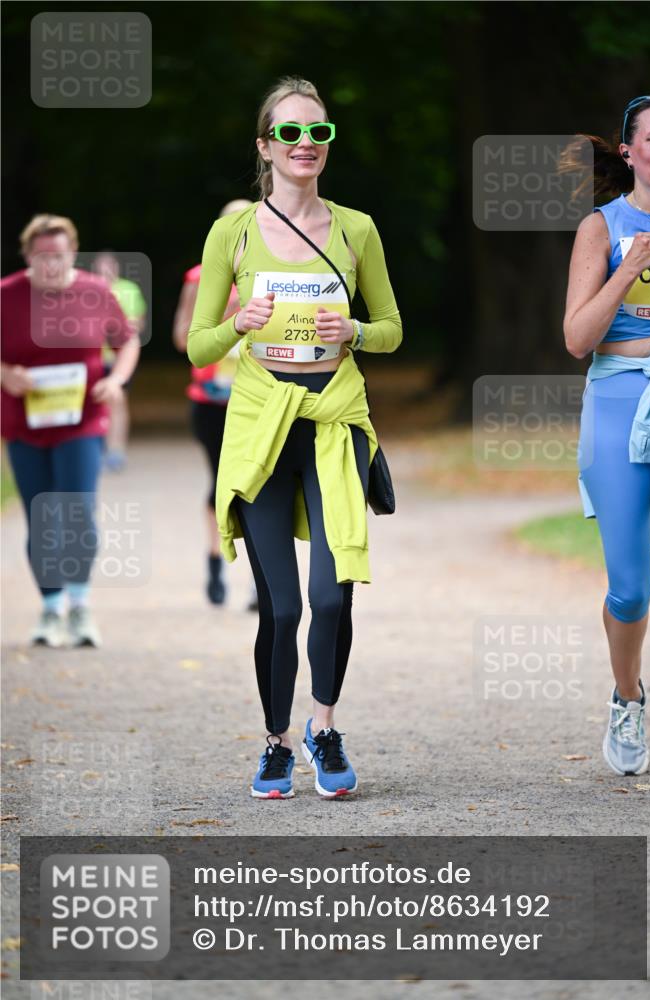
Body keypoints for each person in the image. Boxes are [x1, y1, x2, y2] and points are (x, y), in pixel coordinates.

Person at [187, 77, 402, 799]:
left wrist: (358, 332)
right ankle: (277, 742)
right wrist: (237, 325)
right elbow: (194, 348)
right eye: (290, 133)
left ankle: (324, 727)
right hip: (260, 423)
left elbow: (393, 329)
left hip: (333, 420)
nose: (305, 144)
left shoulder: (359, 228)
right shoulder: (234, 232)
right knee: (280, 607)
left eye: (318, 133)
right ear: (265, 146)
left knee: (334, 598)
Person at [563, 92, 650, 778]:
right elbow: (575, 338)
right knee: (630, 590)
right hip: (618, 399)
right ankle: (626, 697)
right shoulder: (601, 228)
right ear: (628, 150)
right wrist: (627, 271)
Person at [1, 214, 140, 647]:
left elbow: (127, 340)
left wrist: (116, 381)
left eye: (58, 256)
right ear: (27, 256)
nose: (51, 265)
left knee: (77, 512)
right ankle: (49, 607)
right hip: (24, 422)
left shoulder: (96, 292)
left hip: (82, 420)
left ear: (72, 253)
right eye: (41, 257)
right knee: (41, 518)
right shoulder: (7, 295)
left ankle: (79, 606)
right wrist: (4, 373)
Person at [172, 199, 258, 608]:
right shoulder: (199, 278)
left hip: (259, 396)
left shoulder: (271, 273)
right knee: (222, 482)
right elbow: (181, 338)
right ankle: (214, 561)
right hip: (211, 399)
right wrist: (227, 317)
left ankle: (261, 579)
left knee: (259, 484)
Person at [92, 251, 147, 472]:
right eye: (102, 267)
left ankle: (116, 451)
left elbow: (138, 324)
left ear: (116, 268)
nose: (106, 271)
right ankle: (96, 450)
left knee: (118, 403)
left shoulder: (128, 290)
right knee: (94, 406)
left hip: (118, 359)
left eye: (110, 267)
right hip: (93, 359)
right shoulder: (88, 289)